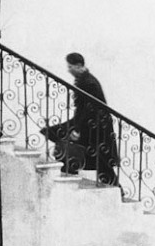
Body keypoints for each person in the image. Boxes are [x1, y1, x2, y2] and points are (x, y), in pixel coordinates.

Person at [42, 52, 119, 186]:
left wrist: (77, 128)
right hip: (91, 123)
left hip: (94, 125)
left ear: (78, 66)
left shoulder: (88, 82)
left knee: (100, 159)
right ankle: (69, 171)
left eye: (70, 66)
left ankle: (70, 172)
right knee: (98, 158)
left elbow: (88, 108)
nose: (68, 70)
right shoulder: (84, 80)